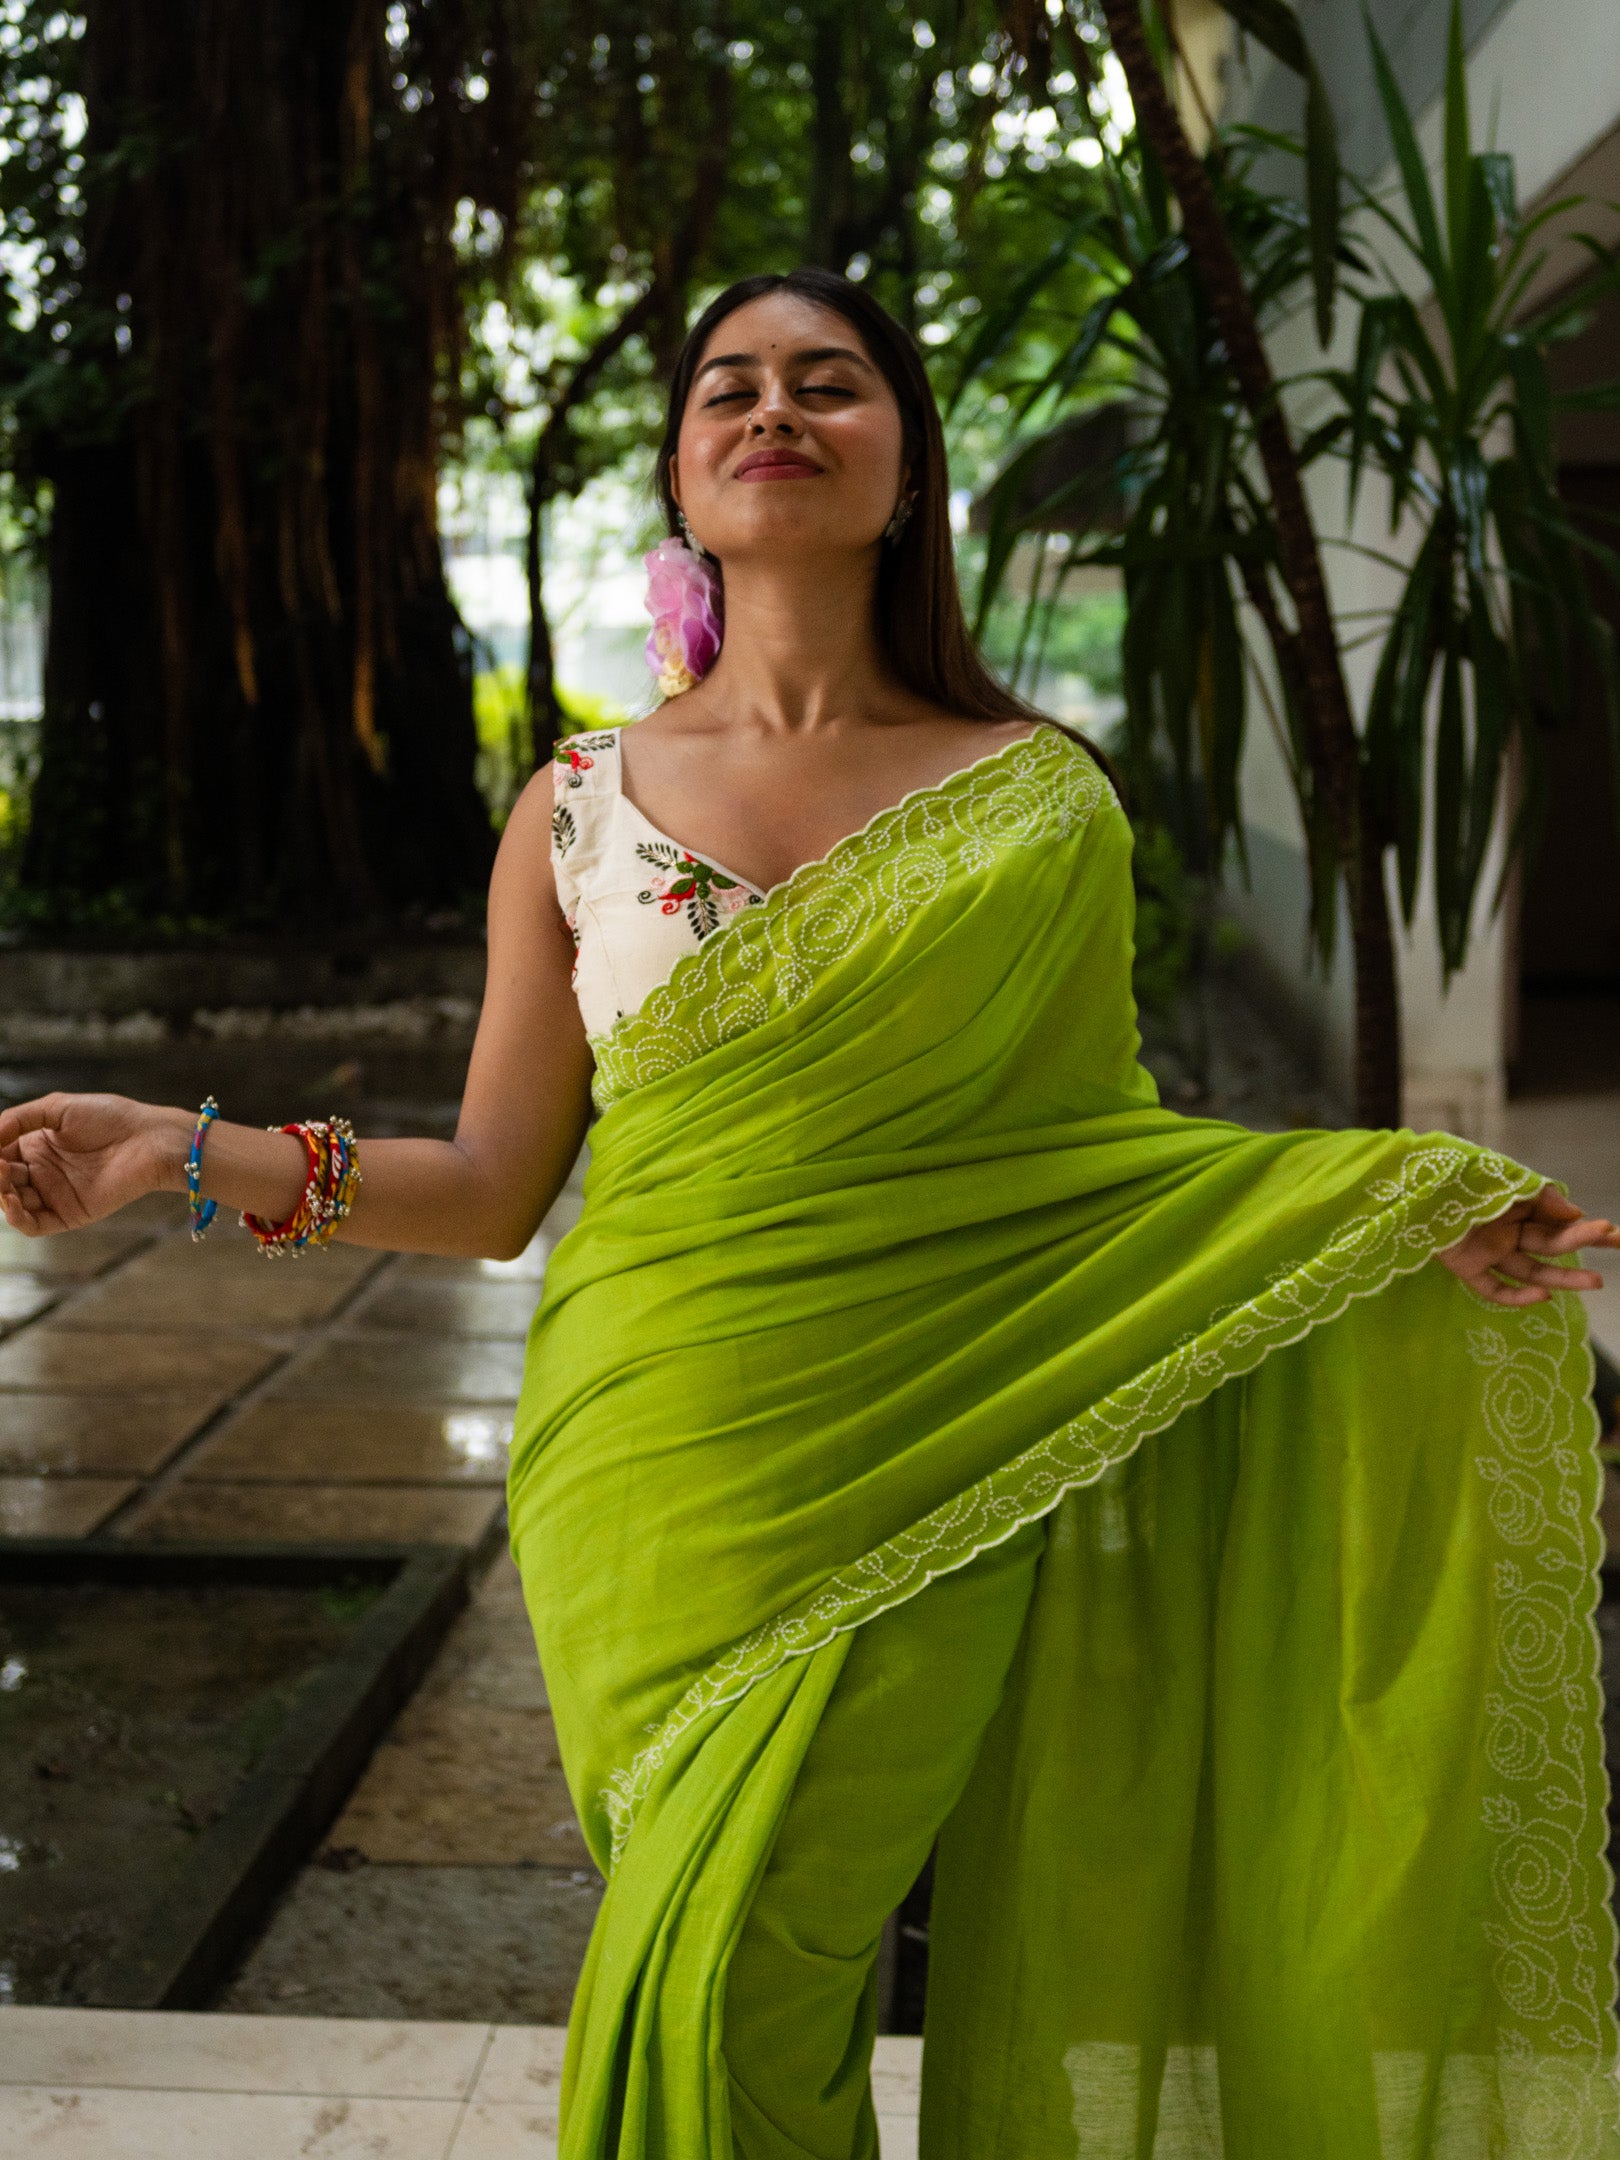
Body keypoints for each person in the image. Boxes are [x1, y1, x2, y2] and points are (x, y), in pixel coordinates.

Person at [2, 267, 1617, 2160]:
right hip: (646, 1465)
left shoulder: (1032, 807)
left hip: (929, 1454)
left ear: (907, 469)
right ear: (685, 480)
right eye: (728, 391)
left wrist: (1379, 1218)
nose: (774, 410)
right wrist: (180, 1151)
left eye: (829, 384)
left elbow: (1090, 1167)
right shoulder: (577, 810)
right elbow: (493, 1187)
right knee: (711, 1948)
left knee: (743, 1966)